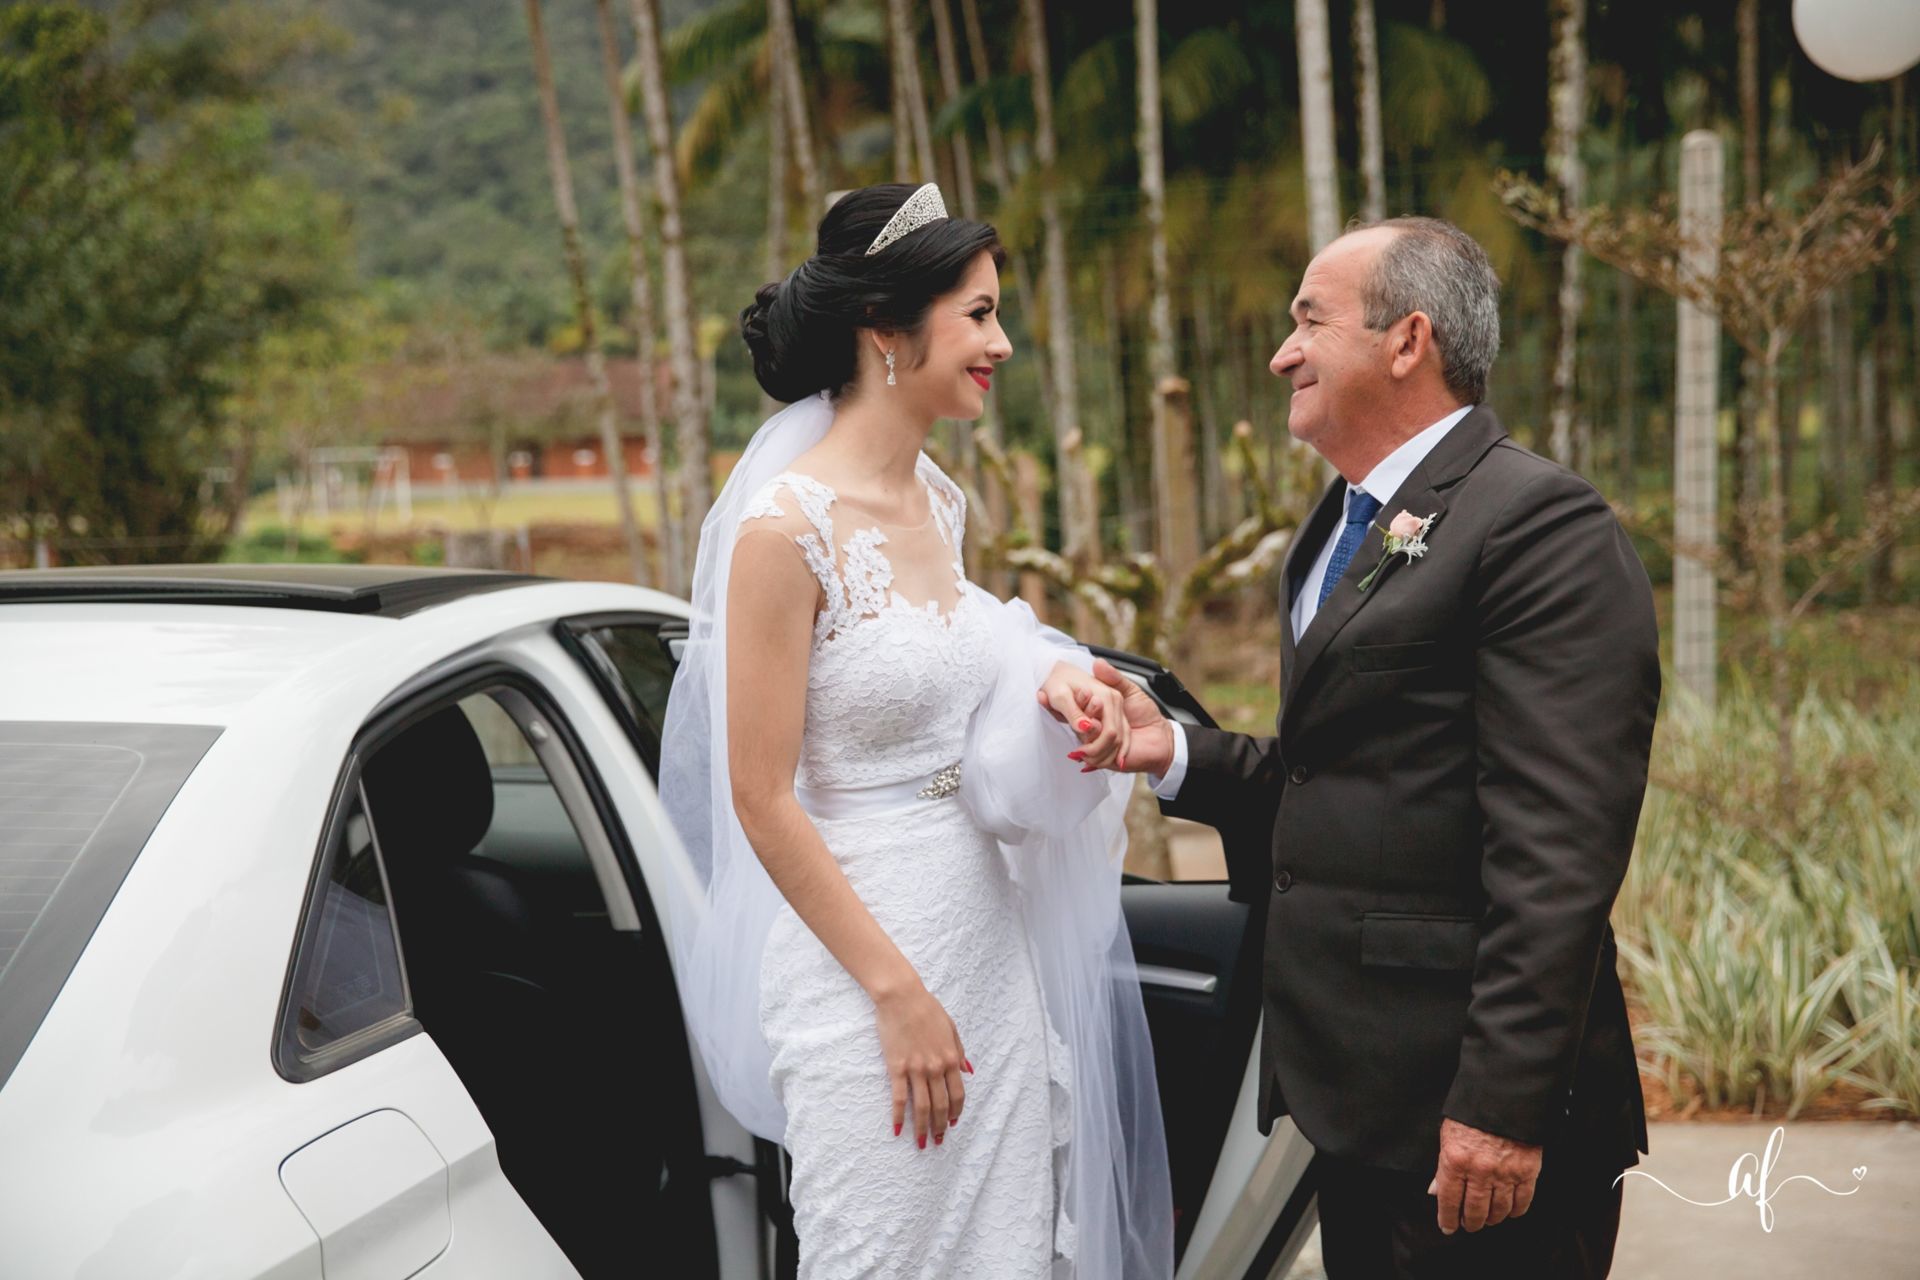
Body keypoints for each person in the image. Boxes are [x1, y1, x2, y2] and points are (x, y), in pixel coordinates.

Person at [1084, 217, 1660, 1278]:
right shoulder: (1337, 527)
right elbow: (1346, 775)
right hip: (1356, 1107)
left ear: (1409, 341)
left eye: (1310, 319)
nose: (1282, 351)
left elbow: (1559, 852)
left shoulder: (1540, 526)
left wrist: (1497, 1107)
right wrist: (1170, 749)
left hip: (1469, 1121)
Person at [657, 183, 1172, 1280]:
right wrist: (895, 992)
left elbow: (958, 656)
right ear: (888, 330)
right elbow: (760, 795)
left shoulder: (940, 500)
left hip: (985, 937)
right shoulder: (780, 532)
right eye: (979, 314)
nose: (1004, 341)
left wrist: (1058, 685)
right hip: (862, 974)